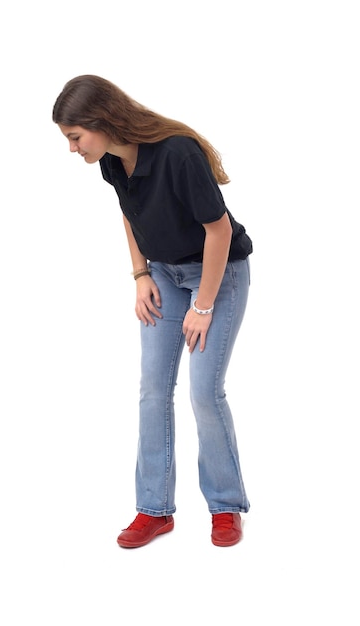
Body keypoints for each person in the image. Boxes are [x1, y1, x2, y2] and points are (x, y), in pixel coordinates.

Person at [52, 75, 253, 548]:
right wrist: (140, 274)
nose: (72, 149)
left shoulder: (178, 152)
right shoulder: (112, 162)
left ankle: (225, 506)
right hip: (164, 275)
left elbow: (218, 232)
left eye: (74, 137)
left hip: (216, 274)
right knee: (152, 390)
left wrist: (203, 306)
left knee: (205, 392)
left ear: (101, 122)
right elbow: (130, 211)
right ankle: (154, 509)